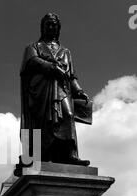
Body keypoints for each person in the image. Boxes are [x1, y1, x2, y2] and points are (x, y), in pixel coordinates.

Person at [18, 13, 92, 172]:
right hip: (41, 92)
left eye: (54, 25)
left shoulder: (66, 51)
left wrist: (79, 91)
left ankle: (69, 154)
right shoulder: (33, 47)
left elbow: (71, 76)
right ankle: (42, 155)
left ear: (58, 29)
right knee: (43, 122)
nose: (51, 27)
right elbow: (31, 61)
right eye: (48, 24)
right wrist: (51, 67)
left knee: (68, 115)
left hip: (61, 91)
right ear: (42, 27)